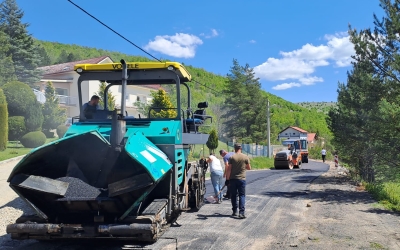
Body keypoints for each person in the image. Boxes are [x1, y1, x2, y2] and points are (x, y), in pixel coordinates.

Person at [228, 143, 251, 219]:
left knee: (233, 196)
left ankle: (234, 211)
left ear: (234, 149)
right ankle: (241, 213)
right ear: (241, 148)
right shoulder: (245, 157)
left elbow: (229, 169)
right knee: (242, 195)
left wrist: (227, 179)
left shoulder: (232, 157)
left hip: (233, 179)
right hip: (242, 179)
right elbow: (249, 168)